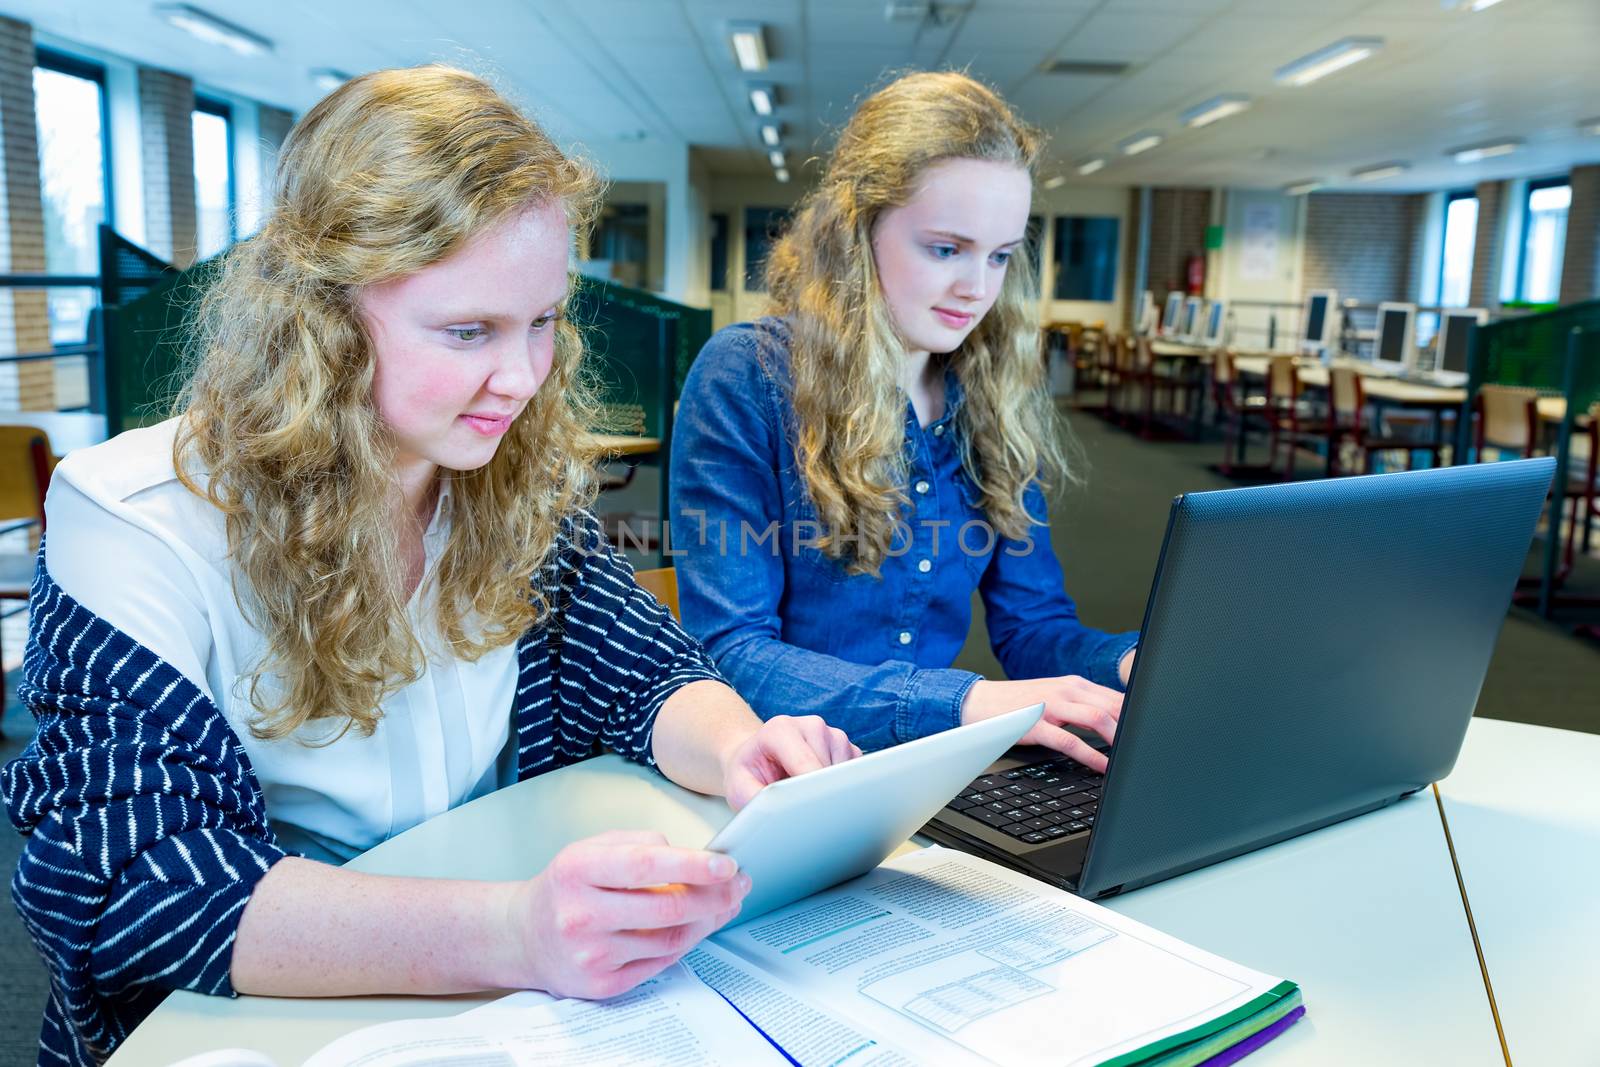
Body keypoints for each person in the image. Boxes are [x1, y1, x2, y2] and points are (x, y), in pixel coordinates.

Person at [3, 65, 857, 1066]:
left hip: (478, 1006)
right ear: (321, 322)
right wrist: (515, 932)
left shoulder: (494, 469)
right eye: (468, 331)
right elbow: (133, 880)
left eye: (542, 321)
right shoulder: (132, 518)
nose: (524, 376)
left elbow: (644, 672)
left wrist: (739, 747)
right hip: (244, 1021)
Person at [670, 71, 1137, 770]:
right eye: (946, 248)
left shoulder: (987, 395)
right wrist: (964, 703)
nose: (977, 288)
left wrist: (1127, 662)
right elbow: (732, 656)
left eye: (1000, 255)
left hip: (920, 773)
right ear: (858, 232)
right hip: (783, 780)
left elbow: (1034, 627)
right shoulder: (749, 376)